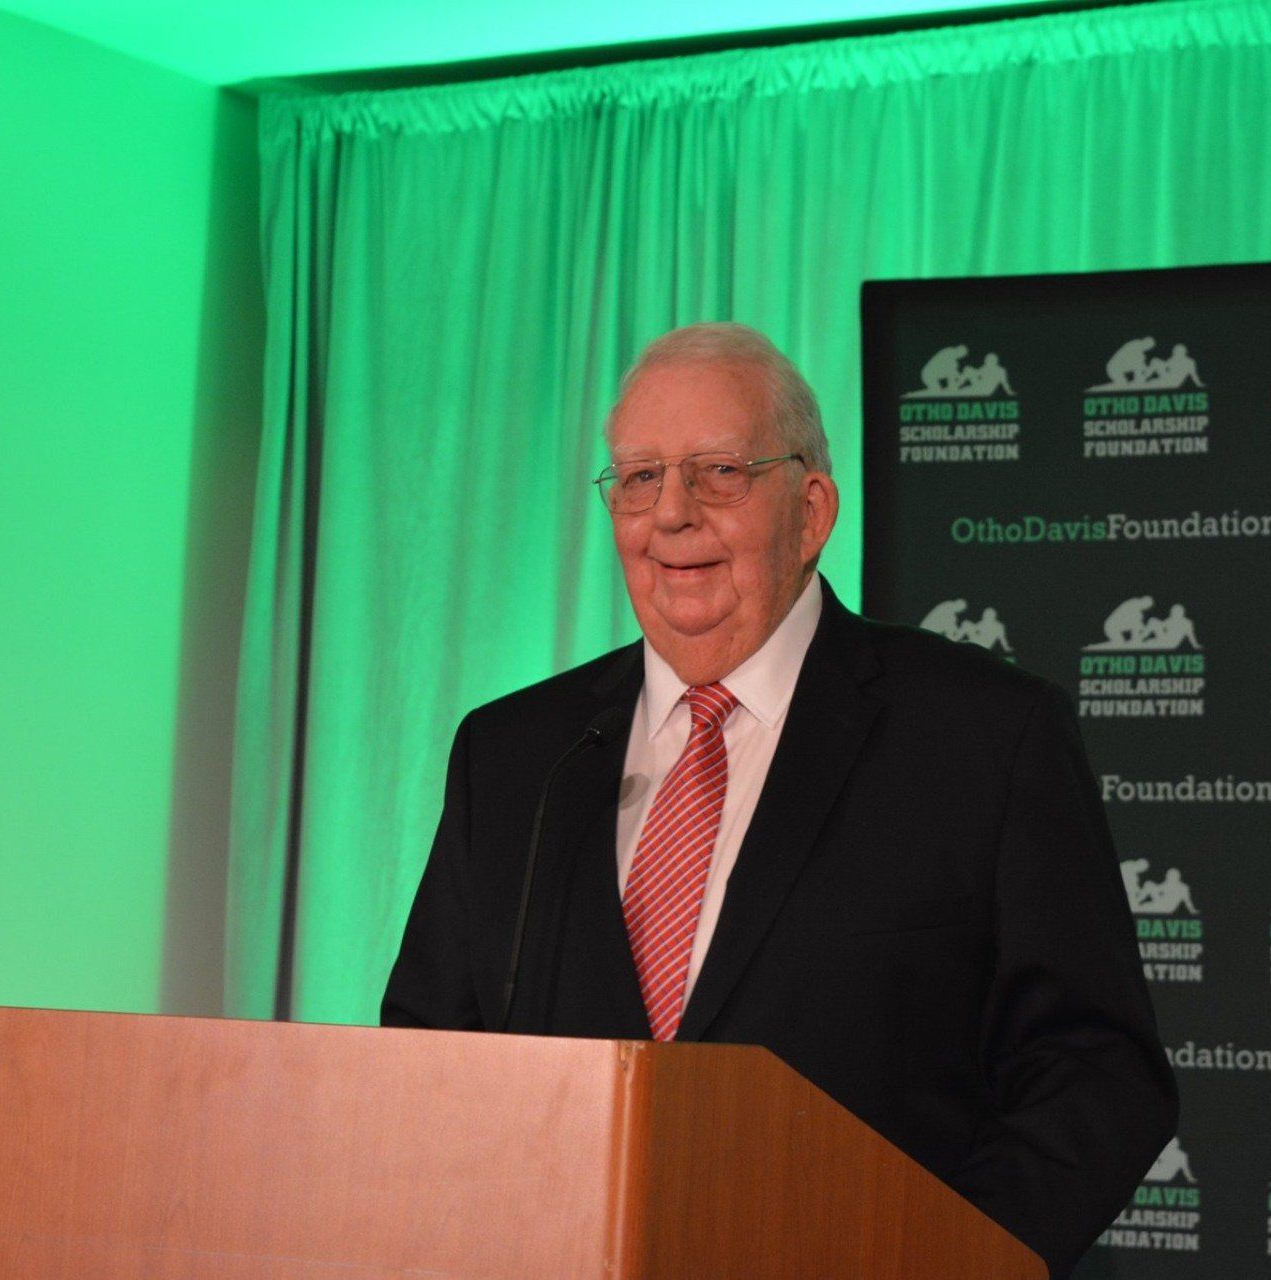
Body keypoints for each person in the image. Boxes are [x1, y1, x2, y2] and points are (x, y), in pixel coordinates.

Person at [382, 322, 1175, 1276]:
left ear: (811, 509)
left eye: (719, 472)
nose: (671, 514)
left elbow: (1095, 1072)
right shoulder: (516, 756)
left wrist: (939, 1259)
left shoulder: (983, 736)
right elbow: (427, 1058)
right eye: (639, 477)